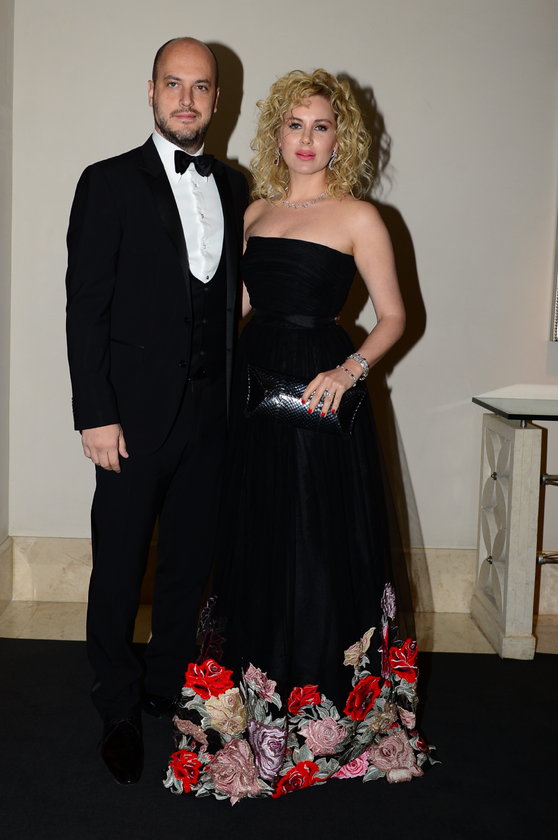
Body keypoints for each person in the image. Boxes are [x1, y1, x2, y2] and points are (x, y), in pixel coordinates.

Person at [164, 69, 434, 802]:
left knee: (318, 543)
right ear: (276, 133)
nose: (307, 139)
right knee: (255, 539)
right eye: (295, 125)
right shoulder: (253, 211)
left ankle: (328, 712)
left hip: (321, 395)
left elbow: (396, 317)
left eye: (321, 126)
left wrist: (349, 371)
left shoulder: (360, 217)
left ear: (340, 137)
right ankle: (251, 718)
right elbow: (234, 307)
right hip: (252, 395)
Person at [65, 37, 248, 785]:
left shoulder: (235, 185)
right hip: (130, 421)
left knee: (188, 564)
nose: (187, 99)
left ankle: (165, 682)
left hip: (212, 417)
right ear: (151, 92)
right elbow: (86, 307)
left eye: (200, 87)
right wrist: (94, 413)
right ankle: (114, 704)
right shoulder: (107, 182)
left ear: (217, 99)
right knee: (118, 567)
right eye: (174, 84)